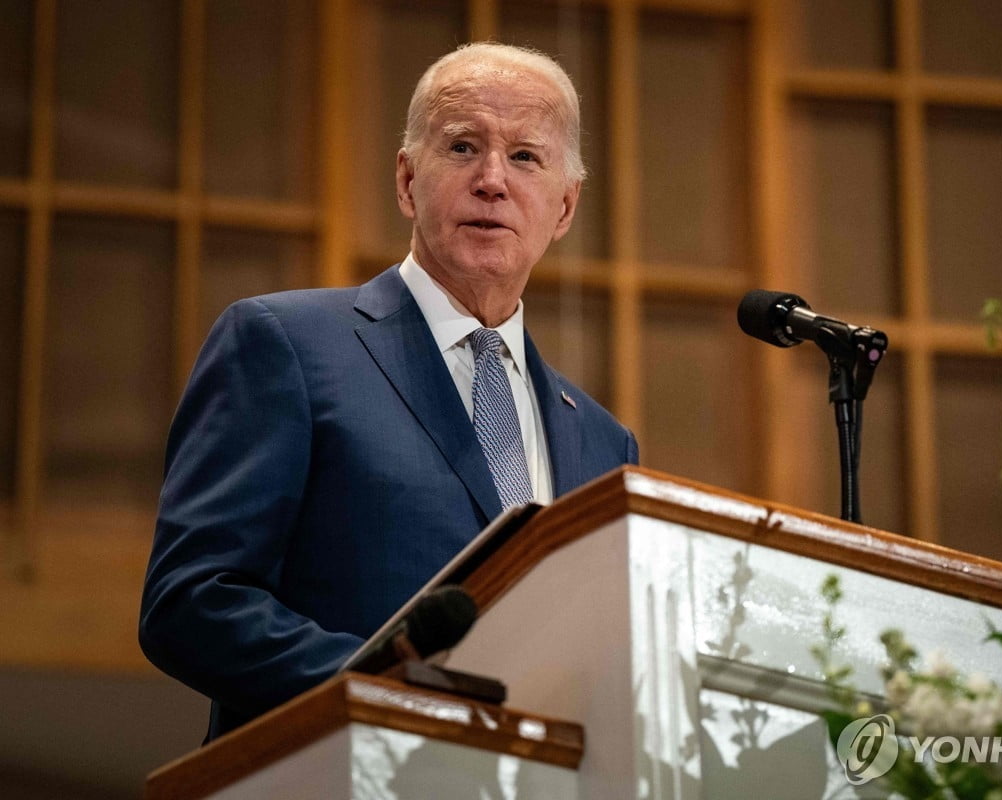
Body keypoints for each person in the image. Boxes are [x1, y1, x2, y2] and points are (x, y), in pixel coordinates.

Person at [139, 42, 638, 741]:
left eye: (526, 156)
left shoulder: (604, 443)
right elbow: (190, 602)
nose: (493, 179)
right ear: (407, 181)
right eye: (463, 147)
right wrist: (384, 692)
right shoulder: (286, 343)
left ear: (565, 207)